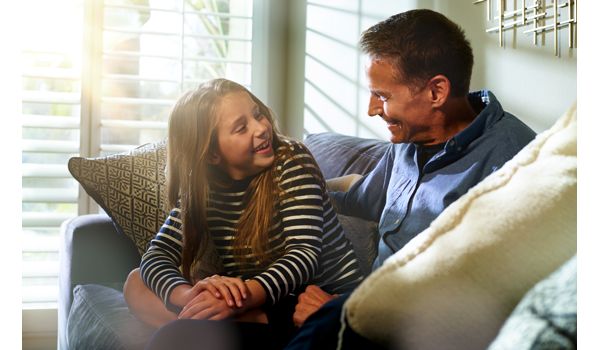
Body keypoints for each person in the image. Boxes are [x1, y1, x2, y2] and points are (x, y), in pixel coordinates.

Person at [286, 9, 536, 349]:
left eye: (384, 96)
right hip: (367, 306)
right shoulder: (408, 142)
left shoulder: (515, 161)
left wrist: (345, 314)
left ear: (436, 92)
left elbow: (487, 299)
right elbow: (363, 199)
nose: (372, 109)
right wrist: (293, 186)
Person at [122, 78, 364, 349]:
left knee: (177, 335)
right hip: (251, 295)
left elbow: (303, 256)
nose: (262, 128)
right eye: (241, 127)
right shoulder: (202, 185)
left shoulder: (292, 161)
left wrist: (242, 297)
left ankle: (198, 327)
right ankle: (201, 321)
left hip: (310, 297)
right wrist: (189, 296)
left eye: (258, 114)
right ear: (212, 153)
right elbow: (158, 254)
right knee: (136, 282)